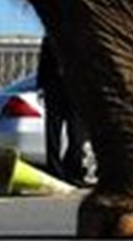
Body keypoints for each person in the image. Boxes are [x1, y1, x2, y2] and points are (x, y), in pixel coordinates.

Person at [35, 34, 91, 183]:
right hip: (54, 89)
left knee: (77, 136)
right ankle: (54, 172)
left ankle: (73, 171)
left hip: (75, 90)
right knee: (53, 135)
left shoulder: (82, 36)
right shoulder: (50, 36)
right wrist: (41, 86)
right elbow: (44, 63)